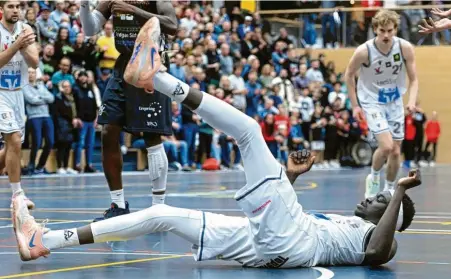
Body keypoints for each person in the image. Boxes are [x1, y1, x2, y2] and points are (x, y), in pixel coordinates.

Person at [13, 17, 419, 267]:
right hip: (269, 246)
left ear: (391, 216)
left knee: (248, 131)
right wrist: (289, 178)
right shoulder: (345, 224)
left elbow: (380, 250)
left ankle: (157, 80)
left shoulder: (374, 239)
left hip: (294, 243)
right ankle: (44, 241)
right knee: (162, 215)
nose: (372, 198)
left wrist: (397, 192)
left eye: (379, 202)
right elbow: (276, 215)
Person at [79, 0, 178, 221]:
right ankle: (118, 204)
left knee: (152, 135)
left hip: (150, 63)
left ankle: (158, 207)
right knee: (108, 131)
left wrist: (133, 10)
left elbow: (172, 25)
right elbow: (89, 29)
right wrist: (84, 5)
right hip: (123, 66)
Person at [344, 10, 419, 198]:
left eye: (390, 31)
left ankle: (390, 190)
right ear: (375, 29)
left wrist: (410, 101)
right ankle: (374, 177)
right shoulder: (364, 51)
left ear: (396, 29)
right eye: (382, 31)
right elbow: (349, 74)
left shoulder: (404, 48)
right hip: (372, 102)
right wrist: (355, 105)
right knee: (386, 146)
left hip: (394, 102)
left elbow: (414, 79)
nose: (386, 35)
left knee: (395, 151)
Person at [0, 0, 39, 209]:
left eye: (18, 6)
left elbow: (35, 62)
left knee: (12, 148)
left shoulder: (26, 29)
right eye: (10, 6)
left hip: (17, 92)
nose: (15, 10)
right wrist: (17, 44)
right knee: (14, 138)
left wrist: (23, 47)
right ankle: (18, 195)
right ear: (1, 9)